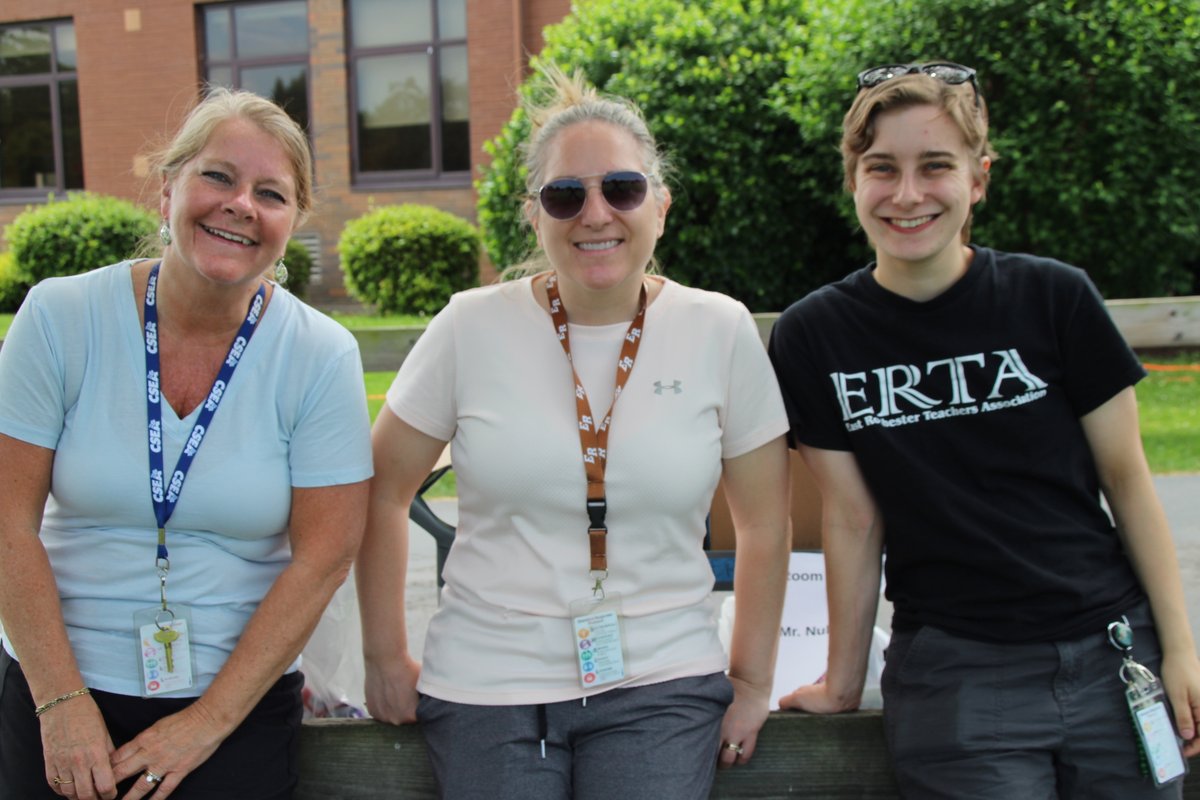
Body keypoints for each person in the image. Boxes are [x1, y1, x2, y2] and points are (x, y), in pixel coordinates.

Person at [357, 65, 791, 799]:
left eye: (621, 189)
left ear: (661, 205)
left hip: (661, 680)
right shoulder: (469, 326)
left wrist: (750, 679)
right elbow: (379, 492)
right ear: (534, 214)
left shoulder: (717, 328)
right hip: (487, 682)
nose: (595, 215)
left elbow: (765, 523)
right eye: (566, 195)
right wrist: (383, 658)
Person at [768, 61, 1200, 797]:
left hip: (1111, 653)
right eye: (882, 168)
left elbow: (1128, 482)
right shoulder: (815, 336)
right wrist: (844, 681)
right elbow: (851, 516)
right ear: (853, 179)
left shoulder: (1055, 297)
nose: (907, 195)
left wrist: (1182, 652)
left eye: (935, 166)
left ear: (979, 178)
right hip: (959, 677)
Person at [0, 88, 373, 799]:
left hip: (232, 706)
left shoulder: (319, 354)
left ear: (292, 222)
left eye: (272, 192)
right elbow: (6, 522)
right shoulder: (60, 317)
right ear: (168, 185)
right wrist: (60, 704)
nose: (241, 204)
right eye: (219, 176)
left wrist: (208, 721)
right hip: (60, 686)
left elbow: (326, 555)